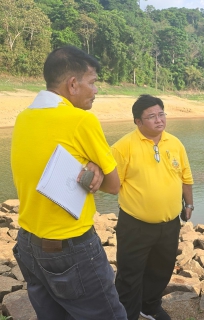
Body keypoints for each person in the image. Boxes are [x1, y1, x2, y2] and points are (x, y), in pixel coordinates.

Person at [10, 46, 127, 319]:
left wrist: (92, 164)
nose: (96, 90)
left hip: (28, 244)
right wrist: (95, 165)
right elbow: (113, 185)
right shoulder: (80, 120)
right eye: (93, 82)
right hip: (70, 249)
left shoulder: (23, 118)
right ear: (72, 84)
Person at [112, 94, 194, 320]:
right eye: (151, 117)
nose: (159, 120)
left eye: (161, 114)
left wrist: (189, 204)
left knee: (162, 268)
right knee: (130, 273)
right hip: (135, 225)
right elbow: (112, 185)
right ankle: (126, 314)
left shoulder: (175, 143)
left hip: (169, 224)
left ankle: (149, 306)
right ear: (138, 122)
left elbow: (186, 177)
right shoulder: (123, 147)